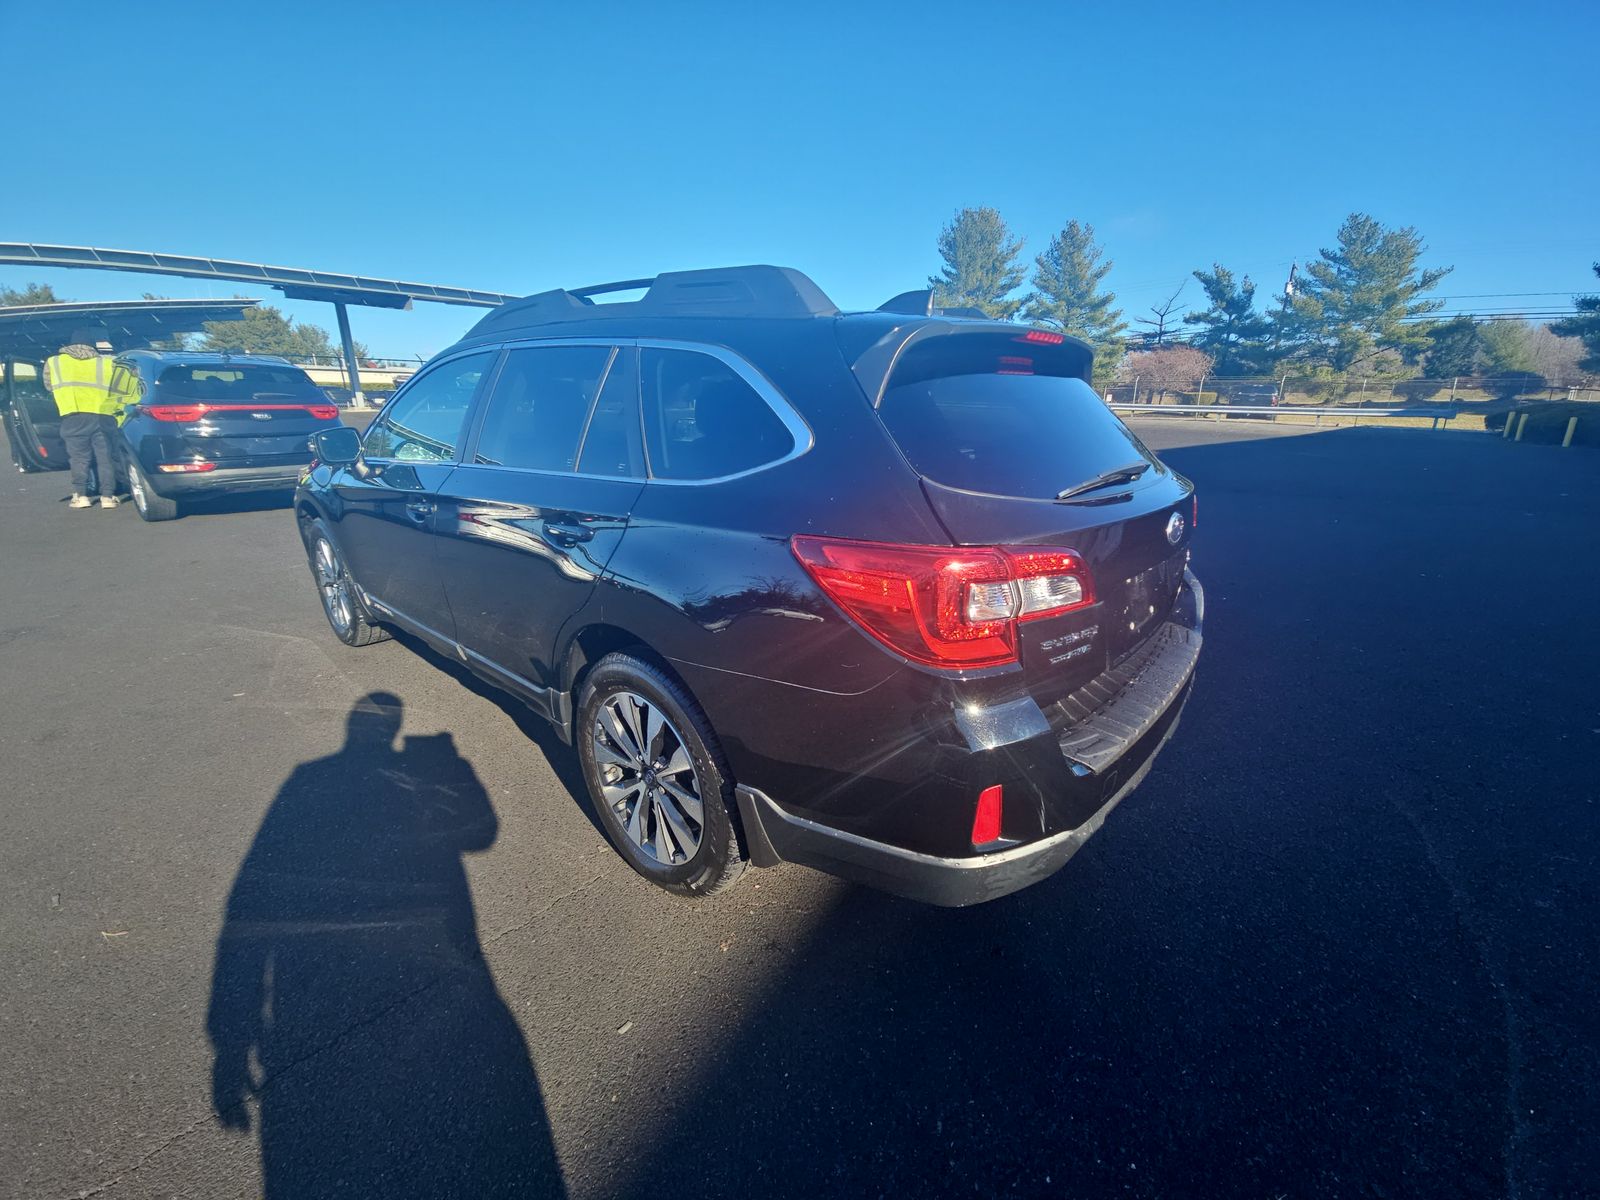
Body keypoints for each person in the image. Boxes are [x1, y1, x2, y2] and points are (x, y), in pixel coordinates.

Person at [42, 339, 124, 509]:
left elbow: (48, 387)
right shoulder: (108, 362)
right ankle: (108, 497)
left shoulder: (55, 362)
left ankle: (81, 496)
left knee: (79, 458)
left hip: (73, 415)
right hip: (104, 415)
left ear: (68, 345)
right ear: (92, 346)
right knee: (106, 457)